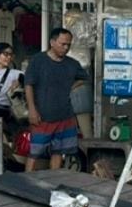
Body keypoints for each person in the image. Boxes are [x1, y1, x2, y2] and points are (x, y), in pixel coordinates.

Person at [23, 28, 86, 171]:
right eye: (63, 44)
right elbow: (28, 85)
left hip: (64, 115)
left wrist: (71, 86)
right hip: (42, 115)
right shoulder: (38, 60)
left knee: (58, 151)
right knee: (35, 152)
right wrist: (32, 109)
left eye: (68, 45)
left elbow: (84, 78)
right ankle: (25, 183)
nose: (66, 48)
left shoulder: (72, 64)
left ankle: (54, 181)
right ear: (52, 42)